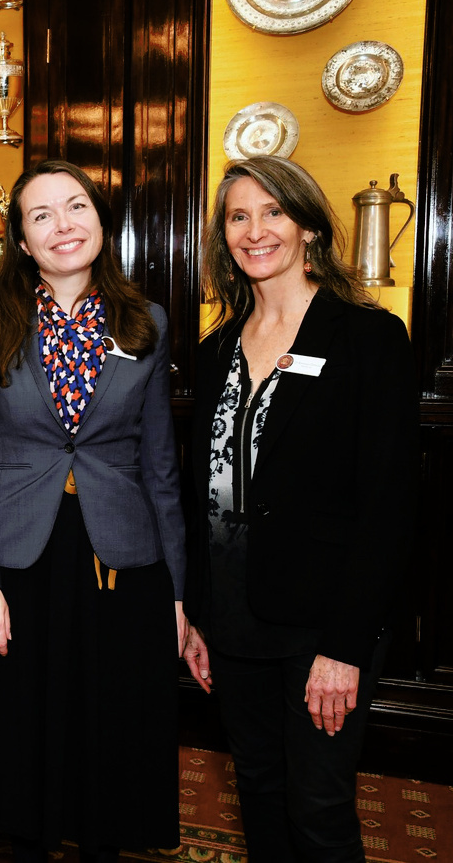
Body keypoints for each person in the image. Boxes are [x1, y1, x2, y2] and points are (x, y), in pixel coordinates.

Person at [182, 155, 418, 862]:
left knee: (317, 804)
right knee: (256, 785)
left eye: (273, 212)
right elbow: (202, 495)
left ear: (309, 225)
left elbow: (389, 505)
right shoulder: (214, 348)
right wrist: (195, 612)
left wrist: (345, 647)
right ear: (223, 236)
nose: (256, 231)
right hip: (231, 617)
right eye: (238, 216)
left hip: (323, 624)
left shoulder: (367, 339)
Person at [0, 160, 187, 863]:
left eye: (76, 207)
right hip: (21, 554)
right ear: (22, 240)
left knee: (110, 724)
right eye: (42, 215)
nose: (63, 225)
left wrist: (176, 593)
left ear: (100, 222)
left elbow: (160, 467)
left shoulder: (145, 322)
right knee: (24, 726)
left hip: (120, 555)